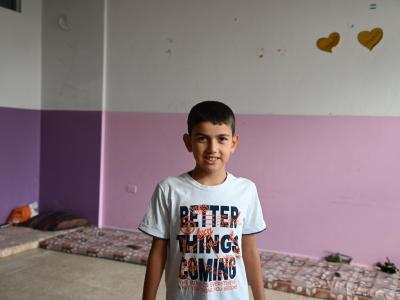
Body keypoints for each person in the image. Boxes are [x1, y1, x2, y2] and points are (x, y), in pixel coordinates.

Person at [139, 101, 267, 300]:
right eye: (202, 139)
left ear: (233, 143)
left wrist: (260, 298)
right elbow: (158, 253)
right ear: (188, 142)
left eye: (222, 139)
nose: (212, 148)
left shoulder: (246, 190)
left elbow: (249, 250)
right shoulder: (169, 189)